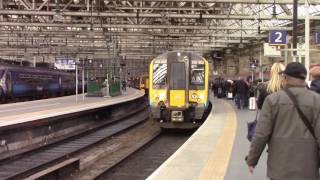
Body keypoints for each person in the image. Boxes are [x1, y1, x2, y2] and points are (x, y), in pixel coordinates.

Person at [246, 62, 320, 180]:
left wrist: (252, 159)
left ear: (285, 78)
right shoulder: (317, 100)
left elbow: (261, 134)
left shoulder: (272, 100)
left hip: (279, 168)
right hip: (308, 168)